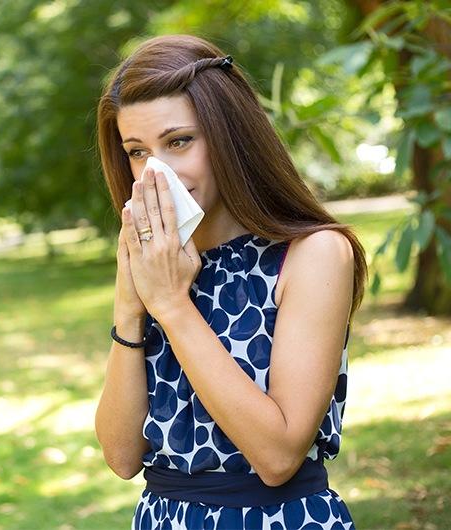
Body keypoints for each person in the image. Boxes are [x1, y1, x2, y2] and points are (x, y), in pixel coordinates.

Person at [93, 34, 367, 530]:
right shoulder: (162, 262)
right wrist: (129, 308)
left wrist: (172, 307)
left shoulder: (314, 255)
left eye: (179, 141)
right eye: (137, 152)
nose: (159, 171)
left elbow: (279, 455)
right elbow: (121, 456)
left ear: (229, 136)